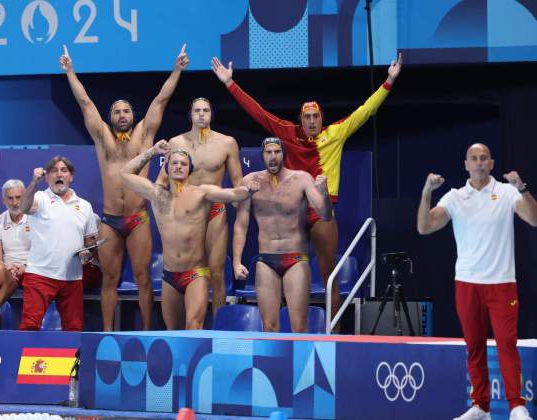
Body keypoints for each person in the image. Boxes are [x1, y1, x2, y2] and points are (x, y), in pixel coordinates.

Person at [212, 53, 402, 324]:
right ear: (300, 119)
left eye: (315, 116)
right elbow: (258, 113)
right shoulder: (287, 133)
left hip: (319, 210)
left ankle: (332, 334)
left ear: (321, 118)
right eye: (307, 117)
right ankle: (277, 329)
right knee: (284, 271)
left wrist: (388, 82)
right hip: (292, 212)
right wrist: (230, 84)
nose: (311, 121)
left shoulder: (335, 133)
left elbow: (366, 110)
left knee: (329, 277)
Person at [60, 43, 189, 331]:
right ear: (111, 116)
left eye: (126, 111)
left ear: (133, 115)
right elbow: (85, 103)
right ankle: (107, 333)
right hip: (110, 220)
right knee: (109, 279)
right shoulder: (102, 137)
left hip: (137, 218)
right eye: (116, 111)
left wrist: (177, 70)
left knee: (143, 277)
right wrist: (70, 72)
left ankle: (144, 332)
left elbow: (160, 100)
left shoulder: (144, 135)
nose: (121, 115)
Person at [417, 143, 537, 420]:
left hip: (502, 282)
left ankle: (516, 406)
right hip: (467, 283)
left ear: (492, 163)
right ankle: (480, 407)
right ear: (466, 165)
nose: (480, 162)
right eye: (475, 158)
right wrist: (426, 192)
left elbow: (533, 219)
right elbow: (424, 227)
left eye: (484, 158)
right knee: (474, 345)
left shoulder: (506, 192)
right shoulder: (455, 197)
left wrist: (521, 187)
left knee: (507, 343)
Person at [121, 140, 258, 330]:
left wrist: (248, 190)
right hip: (169, 276)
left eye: (183, 164)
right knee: (174, 333)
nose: (178, 167)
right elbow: (125, 173)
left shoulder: (201, 193)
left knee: (194, 327)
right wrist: (153, 152)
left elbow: (234, 193)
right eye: (174, 163)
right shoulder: (156, 194)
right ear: (166, 168)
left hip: (196, 274)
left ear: (189, 170)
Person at [233, 137, 332, 332]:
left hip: (295, 258)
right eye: (268, 152)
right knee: (269, 326)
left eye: (276, 152)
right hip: (265, 260)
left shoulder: (302, 179)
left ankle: (299, 363)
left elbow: (325, 215)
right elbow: (240, 225)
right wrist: (236, 261)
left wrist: (325, 195)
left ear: (283, 155)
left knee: (298, 327)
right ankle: (271, 364)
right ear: (262, 156)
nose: (272, 157)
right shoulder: (250, 182)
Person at [156, 97, 243, 315]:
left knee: (217, 273)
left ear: (211, 114)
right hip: (186, 211)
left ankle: (219, 329)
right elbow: (160, 182)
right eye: (197, 110)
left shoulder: (227, 143)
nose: (201, 114)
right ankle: (189, 325)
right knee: (188, 270)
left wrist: (240, 198)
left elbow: (238, 183)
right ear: (191, 114)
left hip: (214, 210)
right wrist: (163, 208)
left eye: (205, 110)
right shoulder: (176, 143)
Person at [19, 156, 98, 332]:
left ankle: (73, 362)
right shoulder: (39, 198)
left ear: (71, 176)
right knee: (29, 327)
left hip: (72, 278)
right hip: (40, 275)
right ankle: (26, 360)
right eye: (54, 171)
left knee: (74, 330)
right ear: (47, 177)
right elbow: (23, 208)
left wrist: (88, 253)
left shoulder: (85, 206)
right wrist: (33, 182)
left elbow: (91, 242)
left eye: (63, 170)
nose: (59, 174)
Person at [0, 179, 31, 291]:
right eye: (10, 198)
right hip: (7, 270)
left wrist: (26, 267)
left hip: (31, 269)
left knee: (36, 279)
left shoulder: (36, 219)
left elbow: (42, 252)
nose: (15, 203)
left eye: (18, 197)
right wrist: (6, 268)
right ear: (4, 200)